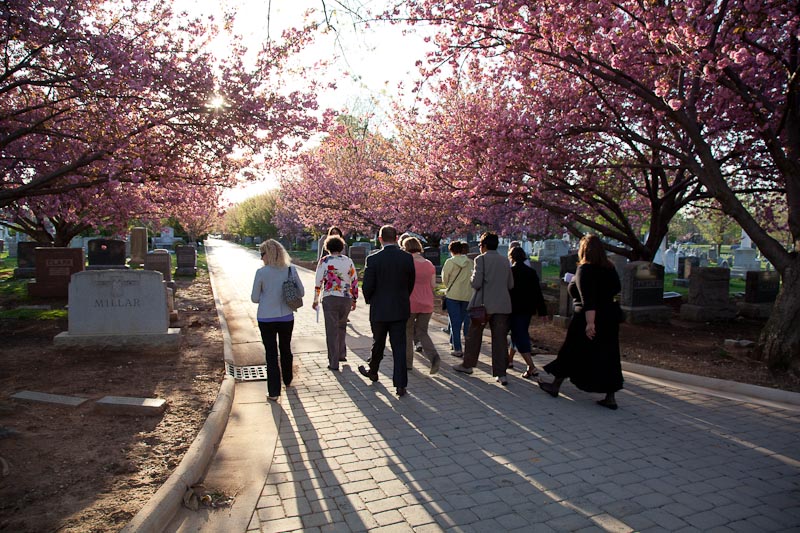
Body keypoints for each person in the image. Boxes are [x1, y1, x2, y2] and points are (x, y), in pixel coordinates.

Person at [538, 234, 624, 409]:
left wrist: (590, 323)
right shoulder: (610, 268)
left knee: (571, 350)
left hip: (586, 318)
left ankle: (555, 385)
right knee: (609, 355)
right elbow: (616, 288)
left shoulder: (585, 269)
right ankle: (610, 396)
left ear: (583, 250)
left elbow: (588, 299)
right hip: (609, 316)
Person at [358, 225, 416, 396]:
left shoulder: (374, 259)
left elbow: (367, 285)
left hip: (380, 308)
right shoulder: (406, 258)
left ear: (380, 239)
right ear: (397, 238)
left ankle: (373, 369)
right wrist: (403, 297)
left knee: (378, 341)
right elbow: (410, 282)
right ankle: (400, 384)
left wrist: (371, 300)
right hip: (400, 307)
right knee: (399, 345)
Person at [453, 232, 514, 386]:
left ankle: (468, 365)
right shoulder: (504, 260)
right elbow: (510, 284)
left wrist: (473, 277)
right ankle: (501, 373)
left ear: (484, 245)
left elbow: (476, 283)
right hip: (502, 305)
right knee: (499, 340)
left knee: (474, 336)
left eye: (480, 245)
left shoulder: (481, 260)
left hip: (483, 306)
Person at [251, 239, 305, 401]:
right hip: (286, 316)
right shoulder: (291, 270)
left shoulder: (261, 273)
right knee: (285, 348)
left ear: (268, 254)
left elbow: (254, 298)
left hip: (266, 317)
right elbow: (301, 292)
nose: (261, 257)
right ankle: (287, 379)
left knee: (271, 354)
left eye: (262, 254)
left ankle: (274, 391)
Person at [312, 235, 358, 371]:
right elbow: (354, 280)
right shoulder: (348, 261)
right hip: (346, 298)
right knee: (342, 326)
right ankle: (341, 354)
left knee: (331, 330)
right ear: (341, 247)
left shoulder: (324, 261)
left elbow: (318, 281)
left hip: (330, 297)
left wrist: (315, 299)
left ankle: (333, 362)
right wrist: (354, 298)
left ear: (327, 247)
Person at [508, 246, 549, 379]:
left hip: (513, 309)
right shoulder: (531, 272)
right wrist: (542, 311)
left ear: (511, 257)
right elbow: (538, 293)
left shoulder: (510, 272)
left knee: (520, 336)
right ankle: (509, 360)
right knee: (518, 333)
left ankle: (531, 367)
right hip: (527, 309)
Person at [402, 236, 441, 374]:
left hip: (411, 302)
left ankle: (407, 363)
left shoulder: (406, 263)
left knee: (407, 332)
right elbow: (433, 285)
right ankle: (434, 357)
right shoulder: (429, 264)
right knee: (422, 332)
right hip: (427, 303)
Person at [441, 240, 472, 357]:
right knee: (466, 323)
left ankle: (457, 348)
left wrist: (449, 286)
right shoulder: (470, 262)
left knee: (455, 323)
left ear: (451, 250)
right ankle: (467, 347)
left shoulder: (450, 262)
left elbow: (445, 278)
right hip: (467, 295)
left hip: (453, 295)